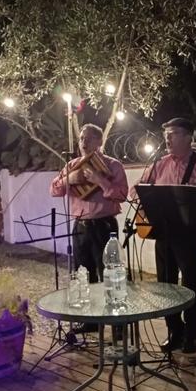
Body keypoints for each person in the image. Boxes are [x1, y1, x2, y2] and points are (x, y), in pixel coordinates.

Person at [131, 117, 196, 353]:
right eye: (166, 134)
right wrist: (146, 199)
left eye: (173, 133)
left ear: (188, 137)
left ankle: (192, 333)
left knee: (190, 284)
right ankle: (174, 331)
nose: (167, 138)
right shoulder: (159, 164)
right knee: (165, 284)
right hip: (163, 231)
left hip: (188, 233)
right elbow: (134, 190)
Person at [50, 123, 128, 331]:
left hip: (104, 225)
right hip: (80, 226)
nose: (84, 142)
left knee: (110, 274)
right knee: (83, 274)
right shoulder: (72, 165)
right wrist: (69, 179)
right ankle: (91, 322)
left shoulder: (113, 165)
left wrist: (100, 180)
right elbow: (54, 190)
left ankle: (117, 325)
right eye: (82, 138)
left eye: (89, 138)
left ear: (99, 141)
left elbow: (122, 194)